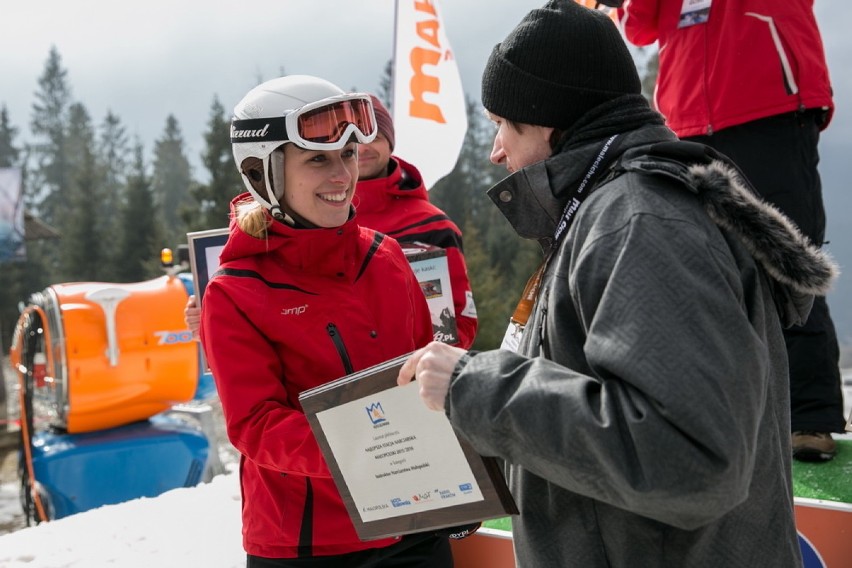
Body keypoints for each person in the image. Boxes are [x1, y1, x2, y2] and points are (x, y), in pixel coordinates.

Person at [396, 2, 838, 566]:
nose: (496, 151)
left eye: (505, 125)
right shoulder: (612, 213)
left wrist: (474, 386)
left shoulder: (641, 223)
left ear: (554, 125)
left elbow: (689, 461)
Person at [199, 74, 452, 566]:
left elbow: (426, 375)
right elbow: (256, 424)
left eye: (348, 155)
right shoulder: (235, 292)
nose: (342, 175)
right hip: (310, 543)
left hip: (416, 526)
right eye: (317, 159)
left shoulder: (387, 257)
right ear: (264, 171)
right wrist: (368, 452)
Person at [616, 0, 845, 461]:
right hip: (688, 123)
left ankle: (811, 418)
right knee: (701, 275)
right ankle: (713, 413)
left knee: (788, 263)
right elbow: (639, 28)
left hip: (769, 107)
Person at [186, 96, 478, 349]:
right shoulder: (294, 222)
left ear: (391, 143)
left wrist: (437, 362)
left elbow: (460, 318)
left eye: (371, 139)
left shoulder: (427, 226)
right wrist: (214, 327)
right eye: (319, 158)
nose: (362, 150)